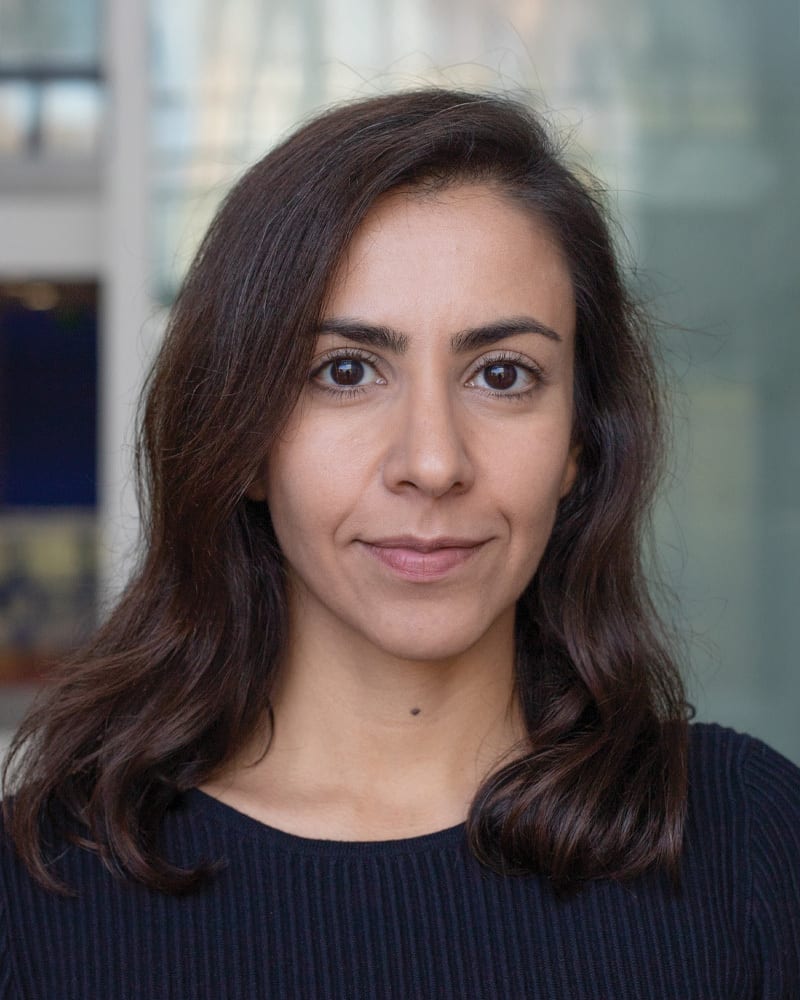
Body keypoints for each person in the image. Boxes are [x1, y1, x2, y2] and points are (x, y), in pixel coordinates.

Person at [1, 88, 798, 999]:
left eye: (503, 375)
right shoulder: (37, 899)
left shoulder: (749, 845)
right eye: (346, 371)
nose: (432, 461)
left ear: (581, 441)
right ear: (246, 438)